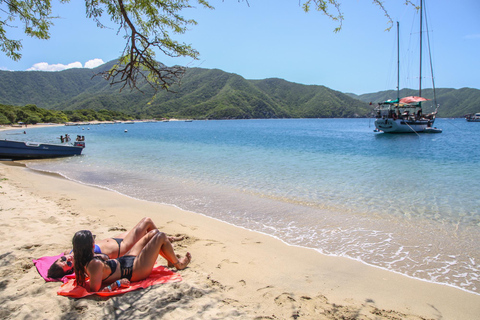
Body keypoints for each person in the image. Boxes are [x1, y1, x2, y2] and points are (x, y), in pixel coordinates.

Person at [47, 217, 183, 279]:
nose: (68, 258)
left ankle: (168, 244)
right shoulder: (88, 258)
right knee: (147, 223)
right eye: (68, 263)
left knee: (151, 233)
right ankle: (171, 252)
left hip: (116, 239)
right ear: (72, 268)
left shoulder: (73, 251)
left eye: (63, 259)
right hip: (122, 247)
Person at [73, 229, 191, 292]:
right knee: (161, 236)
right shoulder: (95, 264)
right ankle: (178, 264)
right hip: (134, 270)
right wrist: (117, 283)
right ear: (90, 245)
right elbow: (96, 290)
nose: (95, 241)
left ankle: (171, 260)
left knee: (153, 233)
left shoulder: (80, 259)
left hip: (125, 261)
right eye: (93, 239)